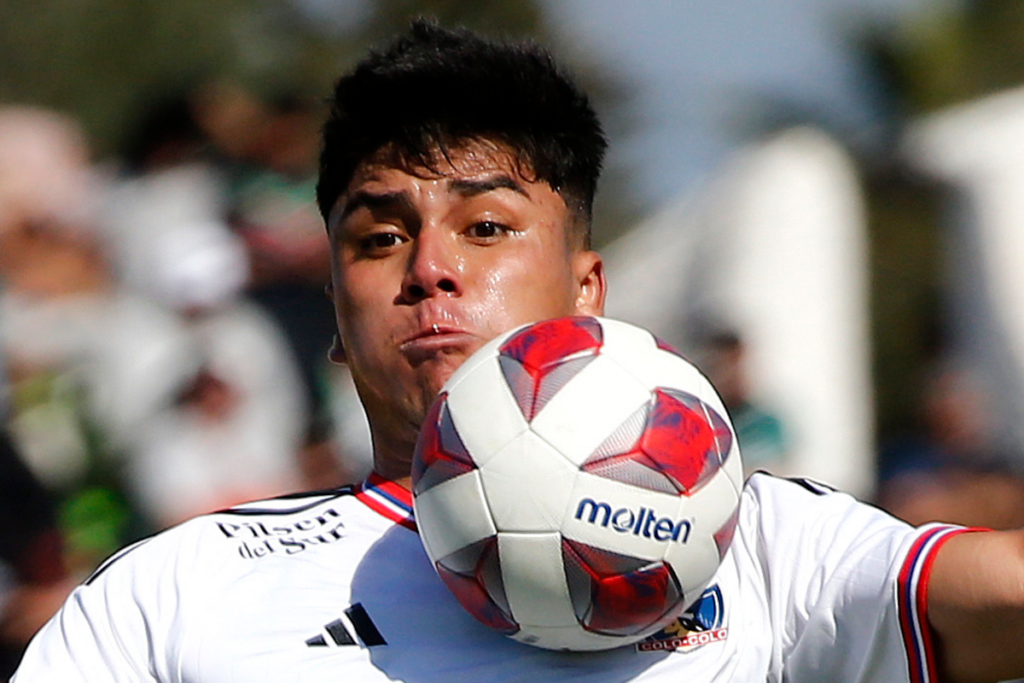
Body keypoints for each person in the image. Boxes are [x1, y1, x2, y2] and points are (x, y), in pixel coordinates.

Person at [12, 20, 1024, 683]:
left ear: (588, 286)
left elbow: (994, 603)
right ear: (333, 297)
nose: (429, 269)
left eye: (485, 228)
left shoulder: (749, 535)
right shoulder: (177, 589)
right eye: (378, 237)